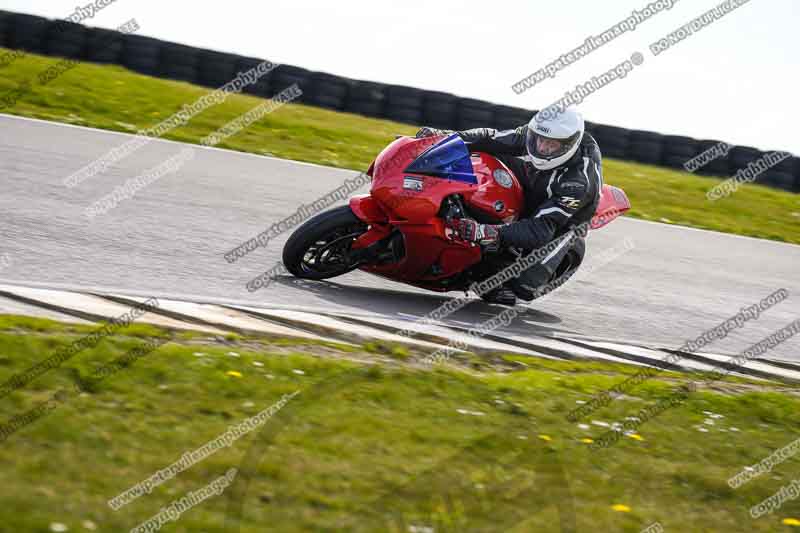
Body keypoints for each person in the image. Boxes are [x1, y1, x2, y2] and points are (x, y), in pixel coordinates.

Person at [416, 107, 602, 305]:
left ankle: (492, 277)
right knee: (484, 151)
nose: (542, 148)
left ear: (568, 146)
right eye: (540, 140)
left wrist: (486, 231)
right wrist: (445, 137)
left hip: (561, 222)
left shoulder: (578, 182)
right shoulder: (535, 135)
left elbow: (541, 229)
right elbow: (491, 137)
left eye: (551, 145)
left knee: (525, 287)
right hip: (537, 178)